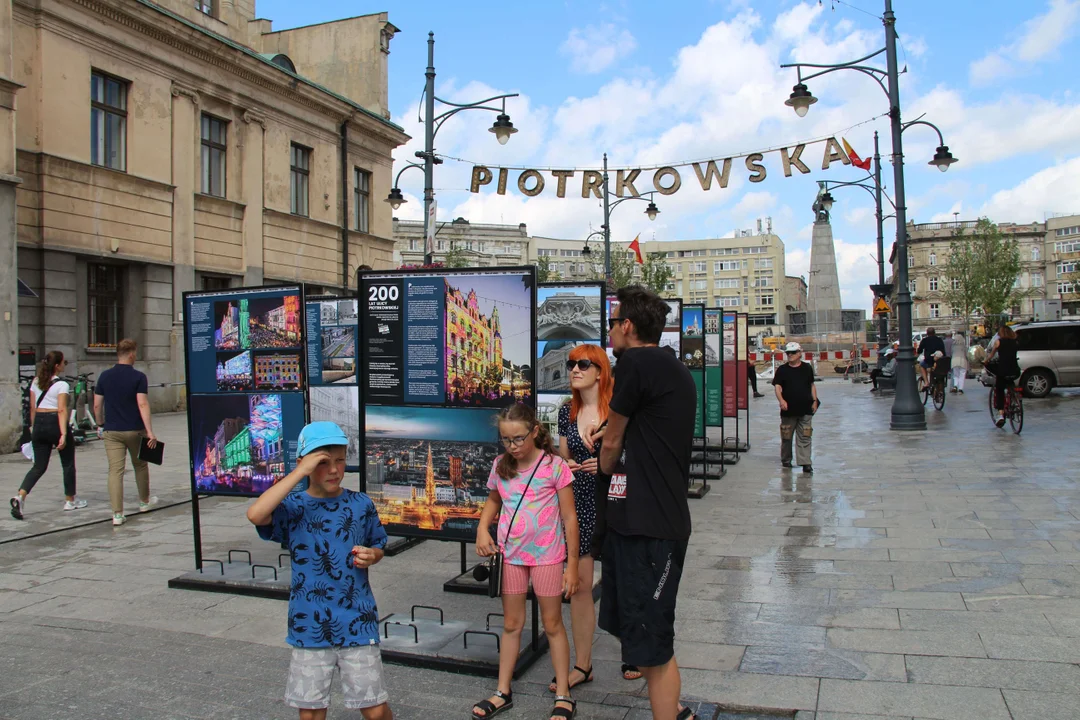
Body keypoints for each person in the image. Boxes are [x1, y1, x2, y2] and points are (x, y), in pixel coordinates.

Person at [597, 285, 697, 720]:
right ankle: (671, 709)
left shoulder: (636, 361)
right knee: (646, 637)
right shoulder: (669, 366)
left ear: (629, 327)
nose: (611, 332)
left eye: (613, 323)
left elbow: (613, 437)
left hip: (648, 526)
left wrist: (602, 461)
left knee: (653, 645)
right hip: (652, 519)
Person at [247, 422, 392, 720]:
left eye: (340, 460)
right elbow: (257, 514)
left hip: (357, 619)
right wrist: (299, 473)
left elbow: (378, 544)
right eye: (323, 462)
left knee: (375, 709)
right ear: (305, 464)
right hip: (309, 623)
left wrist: (372, 555)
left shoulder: (359, 503)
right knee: (311, 712)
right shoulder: (293, 507)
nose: (335, 470)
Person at [473, 403, 579, 720]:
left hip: (548, 556)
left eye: (519, 438)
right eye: (507, 440)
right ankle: (502, 690)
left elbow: (570, 518)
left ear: (535, 431)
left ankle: (563, 694)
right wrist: (482, 529)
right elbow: (493, 501)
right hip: (512, 556)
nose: (514, 446)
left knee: (553, 624)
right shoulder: (500, 466)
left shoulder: (554, 467)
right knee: (511, 624)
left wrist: (572, 566)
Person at [548, 344, 641, 690]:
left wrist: (605, 464)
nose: (573, 369)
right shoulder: (565, 414)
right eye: (571, 364)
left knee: (626, 580)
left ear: (600, 371)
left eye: (582, 364)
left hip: (616, 500)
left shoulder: (618, 410)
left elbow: (636, 455)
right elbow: (561, 458)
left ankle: (633, 652)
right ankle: (583, 665)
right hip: (581, 503)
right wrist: (568, 465)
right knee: (581, 586)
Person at [10, 351, 86, 519]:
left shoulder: (36, 382)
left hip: (38, 423)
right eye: (63, 362)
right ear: (57, 366)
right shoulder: (62, 385)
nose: (65, 365)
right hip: (55, 422)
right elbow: (61, 410)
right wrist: (64, 434)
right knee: (67, 463)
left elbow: (31, 408)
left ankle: (20, 496)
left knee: (38, 466)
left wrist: (32, 427)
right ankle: (70, 500)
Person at [94, 338, 158, 526]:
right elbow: (142, 403)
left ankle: (117, 514)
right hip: (135, 430)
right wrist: (150, 431)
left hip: (112, 430)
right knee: (140, 465)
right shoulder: (139, 377)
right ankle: (144, 502)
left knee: (115, 471)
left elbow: (97, 404)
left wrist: (100, 424)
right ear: (131, 354)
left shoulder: (104, 376)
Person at [772, 342, 818, 474]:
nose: (790, 355)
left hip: (805, 408)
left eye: (793, 353)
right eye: (788, 353)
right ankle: (786, 459)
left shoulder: (807, 368)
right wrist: (781, 400)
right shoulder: (782, 370)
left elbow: (812, 385)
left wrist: (814, 401)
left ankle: (805, 463)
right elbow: (777, 387)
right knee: (787, 436)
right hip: (788, 410)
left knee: (805, 436)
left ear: (799, 353)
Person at [985, 324, 1020, 428]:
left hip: (1003, 370)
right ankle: (1014, 399)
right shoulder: (1016, 342)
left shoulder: (998, 342)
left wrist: (985, 361)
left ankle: (1000, 414)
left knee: (999, 389)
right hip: (1015, 370)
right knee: (1010, 381)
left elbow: (991, 356)